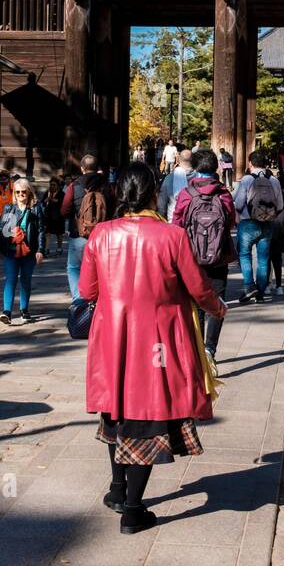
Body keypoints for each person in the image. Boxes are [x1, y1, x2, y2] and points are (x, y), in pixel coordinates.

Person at [79, 162, 226, 535]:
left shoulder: (101, 235)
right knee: (146, 417)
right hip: (156, 339)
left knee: (115, 412)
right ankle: (132, 510)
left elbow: (87, 292)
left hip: (112, 336)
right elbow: (198, 287)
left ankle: (116, 489)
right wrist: (216, 308)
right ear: (152, 193)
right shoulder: (171, 236)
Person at [172, 148, 236, 372]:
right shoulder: (224, 194)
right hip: (218, 257)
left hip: (190, 257)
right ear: (216, 168)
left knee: (194, 303)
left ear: (196, 168)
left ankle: (196, 350)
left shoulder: (186, 194)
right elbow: (230, 222)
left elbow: (177, 226)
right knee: (217, 303)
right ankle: (210, 350)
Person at [233, 149, 284, 303]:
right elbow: (280, 204)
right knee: (263, 259)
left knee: (244, 254)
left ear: (250, 163)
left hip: (248, 223)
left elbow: (239, 203)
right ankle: (261, 292)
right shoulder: (274, 180)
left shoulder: (247, 180)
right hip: (268, 224)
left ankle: (249, 286)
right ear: (265, 164)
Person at [61, 155, 114, 301]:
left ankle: (79, 300)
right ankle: (98, 300)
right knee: (100, 269)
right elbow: (114, 208)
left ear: (82, 168)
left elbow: (64, 210)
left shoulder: (74, 186)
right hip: (103, 236)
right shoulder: (107, 186)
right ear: (97, 168)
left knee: (74, 268)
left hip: (79, 234)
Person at [0, 178, 45, 324]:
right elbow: (0, 230)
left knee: (25, 280)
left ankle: (24, 310)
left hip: (29, 250)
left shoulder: (36, 208)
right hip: (11, 250)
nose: (21, 194)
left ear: (29, 192)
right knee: (10, 279)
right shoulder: (9, 208)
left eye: (23, 191)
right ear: (14, 194)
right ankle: (7, 312)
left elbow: (41, 230)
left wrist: (41, 249)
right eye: (18, 192)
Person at [269, 168, 284, 296]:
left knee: (266, 260)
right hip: (279, 231)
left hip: (266, 231)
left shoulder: (265, 199)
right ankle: (279, 286)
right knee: (277, 261)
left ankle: (266, 286)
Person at [158, 148, 195, 222]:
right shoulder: (199, 177)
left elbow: (162, 204)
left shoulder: (169, 178)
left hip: (174, 222)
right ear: (194, 161)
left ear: (178, 160)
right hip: (195, 222)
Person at [41, 176, 65, 256]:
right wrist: (46, 200)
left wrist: (51, 199)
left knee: (59, 234)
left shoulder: (62, 193)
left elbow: (61, 203)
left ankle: (59, 248)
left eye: (54, 185)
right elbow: (42, 202)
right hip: (48, 216)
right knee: (47, 233)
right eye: (51, 185)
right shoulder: (47, 192)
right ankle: (47, 249)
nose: (52, 186)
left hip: (59, 217)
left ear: (57, 186)